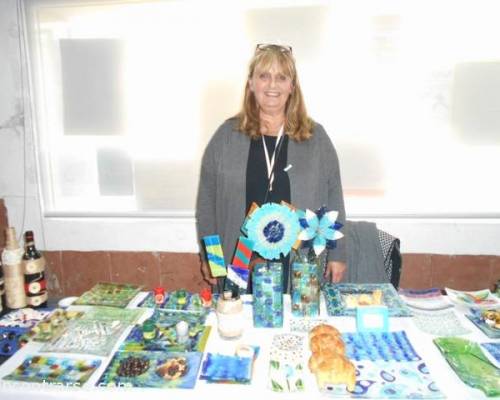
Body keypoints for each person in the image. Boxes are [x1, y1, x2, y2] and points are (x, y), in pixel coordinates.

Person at [196, 44, 346, 292]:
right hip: (239, 259)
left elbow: (334, 197)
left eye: (281, 77)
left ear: (292, 86)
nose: (272, 85)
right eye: (264, 76)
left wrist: (339, 254)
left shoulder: (315, 137)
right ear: (251, 83)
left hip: (298, 260)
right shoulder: (226, 136)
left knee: (294, 324)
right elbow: (206, 203)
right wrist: (211, 258)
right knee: (239, 322)